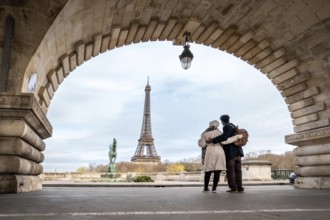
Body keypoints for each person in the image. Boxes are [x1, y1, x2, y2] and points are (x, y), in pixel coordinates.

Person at [198, 120, 242, 193]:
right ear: (217, 125)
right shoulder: (219, 132)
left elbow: (202, 145)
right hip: (219, 151)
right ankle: (214, 189)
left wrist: (200, 141)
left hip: (209, 152)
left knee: (208, 170)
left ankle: (205, 188)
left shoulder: (204, 133)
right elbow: (225, 141)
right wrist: (236, 137)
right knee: (217, 170)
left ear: (209, 124)